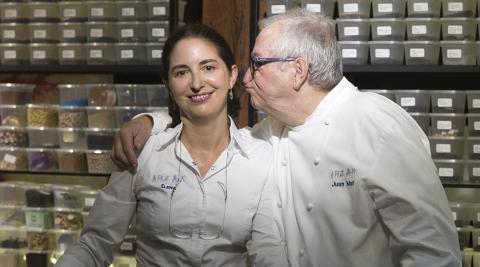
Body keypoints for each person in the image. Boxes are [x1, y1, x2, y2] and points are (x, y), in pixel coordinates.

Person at [112, 9, 461, 267]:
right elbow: (209, 132)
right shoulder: (273, 131)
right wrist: (150, 122)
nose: (246, 78)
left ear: (297, 71)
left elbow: (433, 253)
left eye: (258, 63)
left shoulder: (376, 123)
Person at [56, 23, 288, 267]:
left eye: (208, 67)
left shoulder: (260, 155)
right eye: (181, 73)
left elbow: (268, 249)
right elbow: (96, 243)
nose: (197, 83)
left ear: (231, 76)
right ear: (167, 84)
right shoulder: (143, 150)